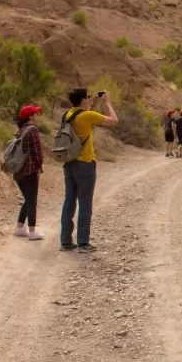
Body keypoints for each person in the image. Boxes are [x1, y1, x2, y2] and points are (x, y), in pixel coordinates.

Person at [60, 88, 117, 253]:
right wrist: (107, 103)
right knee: (85, 202)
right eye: (88, 97)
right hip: (84, 163)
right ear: (83, 100)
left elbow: (84, 121)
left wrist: (92, 105)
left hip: (70, 162)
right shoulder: (86, 116)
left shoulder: (68, 115)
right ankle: (83, 242)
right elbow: (113, 120)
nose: (90, 98)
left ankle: (65, 241)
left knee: (69, 201)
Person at [13, 105, 45, 240]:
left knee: (28, 199)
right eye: (35, 114)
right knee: (32, 200)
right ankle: (32, 231)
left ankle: (20, 228)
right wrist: (39, 168)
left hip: (17, 171)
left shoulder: (19, 131)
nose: (37, 116)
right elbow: (37, 152)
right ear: (30, 116)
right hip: (30, 170)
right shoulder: (32, 130)